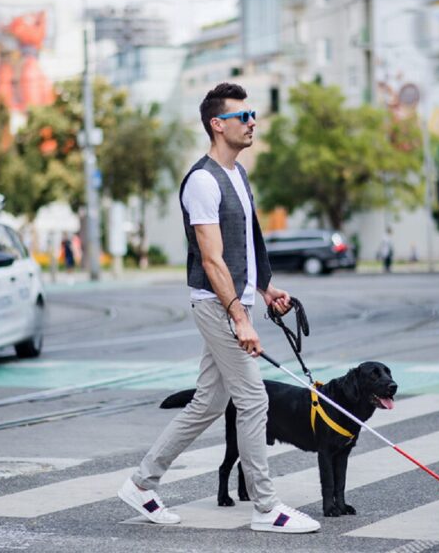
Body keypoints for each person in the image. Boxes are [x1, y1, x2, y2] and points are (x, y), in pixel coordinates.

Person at [117, 83, 320, 534]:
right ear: (217, 124)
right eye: (242, 115)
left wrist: (265, 289)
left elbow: (243, 245)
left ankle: (142, 482)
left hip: (235, 302)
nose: (251, 122)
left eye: (252, 115)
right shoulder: (203, 181)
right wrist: (241, 317)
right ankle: (266, 507)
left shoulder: (237, 175)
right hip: (216, 306)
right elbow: (210, 259)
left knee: (208, 402)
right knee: (253, 399)